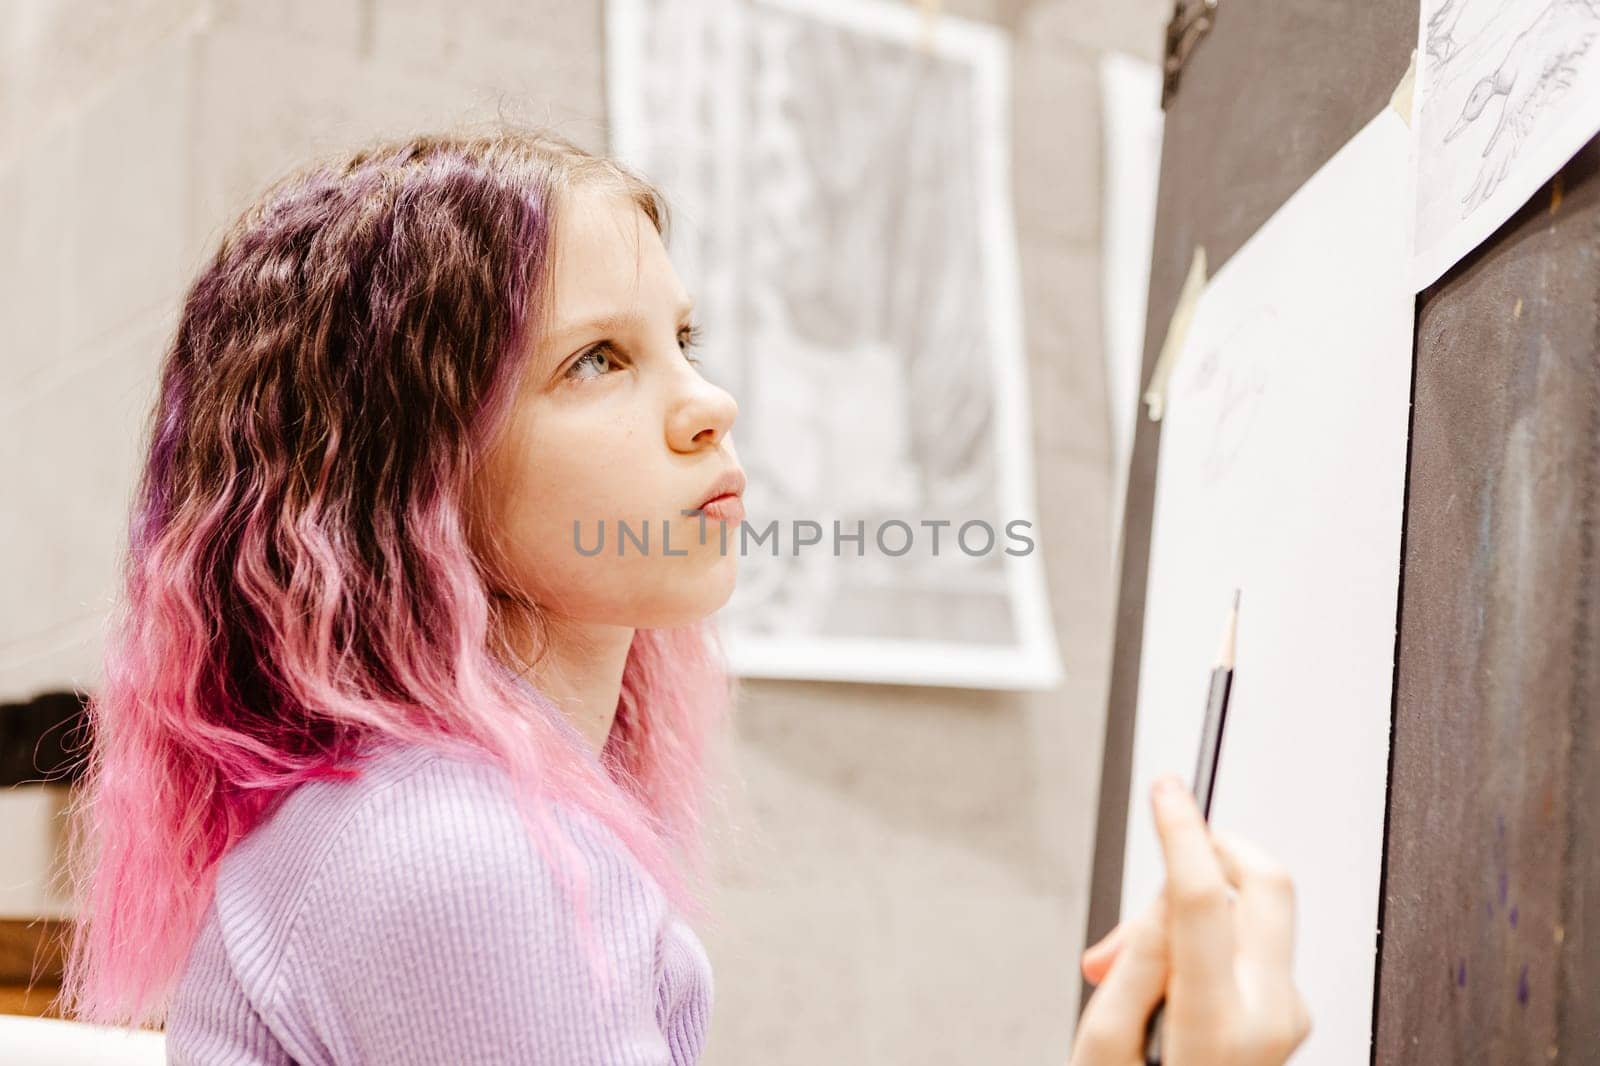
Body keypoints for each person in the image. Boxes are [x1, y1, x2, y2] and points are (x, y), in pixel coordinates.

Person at [58, 126, 1309, 1064]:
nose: (706, 402)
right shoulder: (452, 850)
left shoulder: (433, 818)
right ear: (403, 477)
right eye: (597, 359)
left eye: (682, 341)